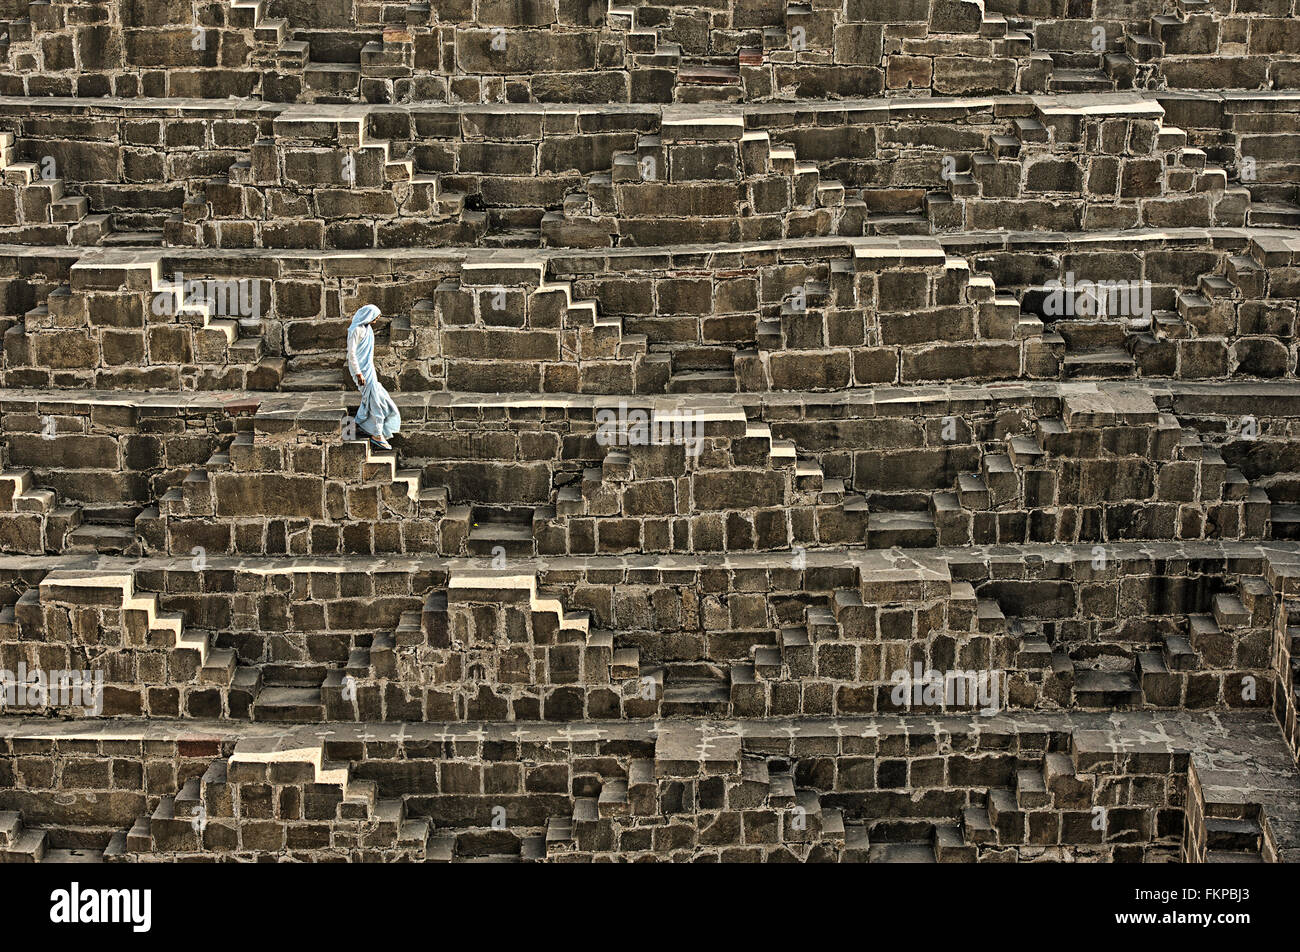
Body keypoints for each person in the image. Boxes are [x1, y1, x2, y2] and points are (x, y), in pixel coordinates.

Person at [345, 304, 401, 451]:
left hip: (368, 368)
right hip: (360, 370)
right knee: (374, 399)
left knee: (373, 397)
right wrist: (358, 373)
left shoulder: (367, 328)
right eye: (375, 317)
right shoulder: (355, 330)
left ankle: (357, 424)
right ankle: (376, 434)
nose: (376, 320)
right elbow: (351, 355)